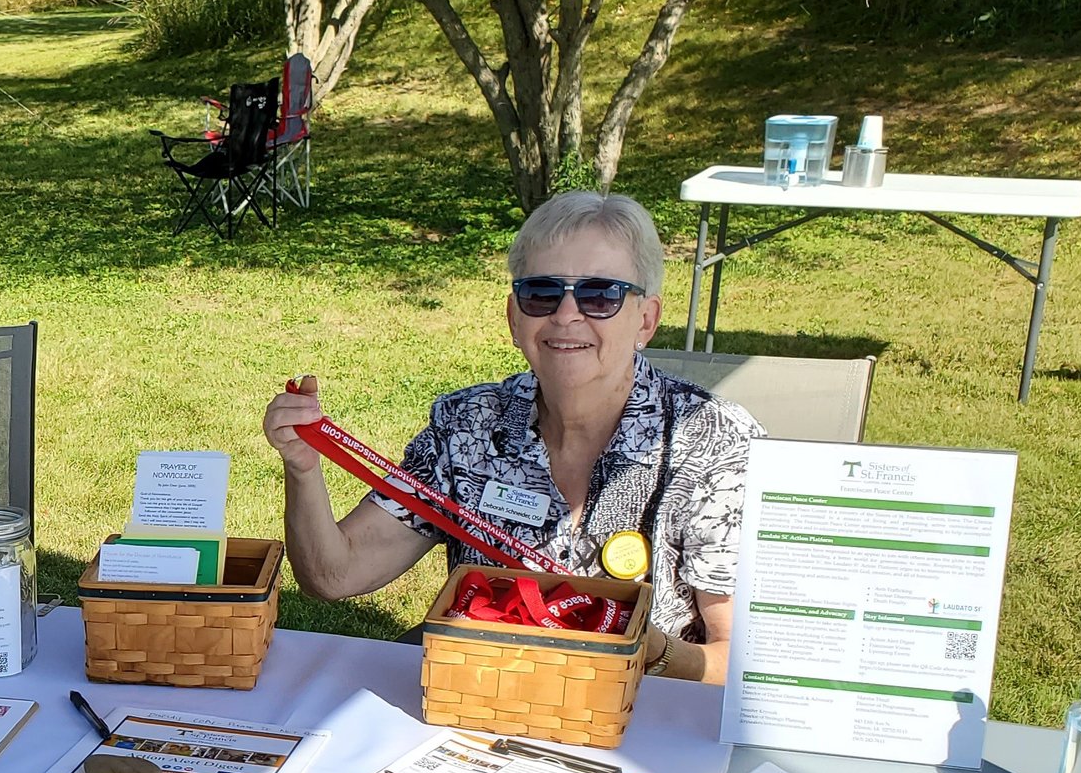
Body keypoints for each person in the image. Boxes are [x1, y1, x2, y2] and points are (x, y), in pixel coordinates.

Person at [263, 190, 760, 682]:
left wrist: (647, 653)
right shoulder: (468, 424)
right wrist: (304, 469)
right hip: (484, 705)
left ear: (646, 320)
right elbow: (333, 575)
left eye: (600, 295)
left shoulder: (716, 443)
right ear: (514, 318)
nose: (566, 315)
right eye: (541, 293)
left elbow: (740, 666)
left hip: (640, 728)